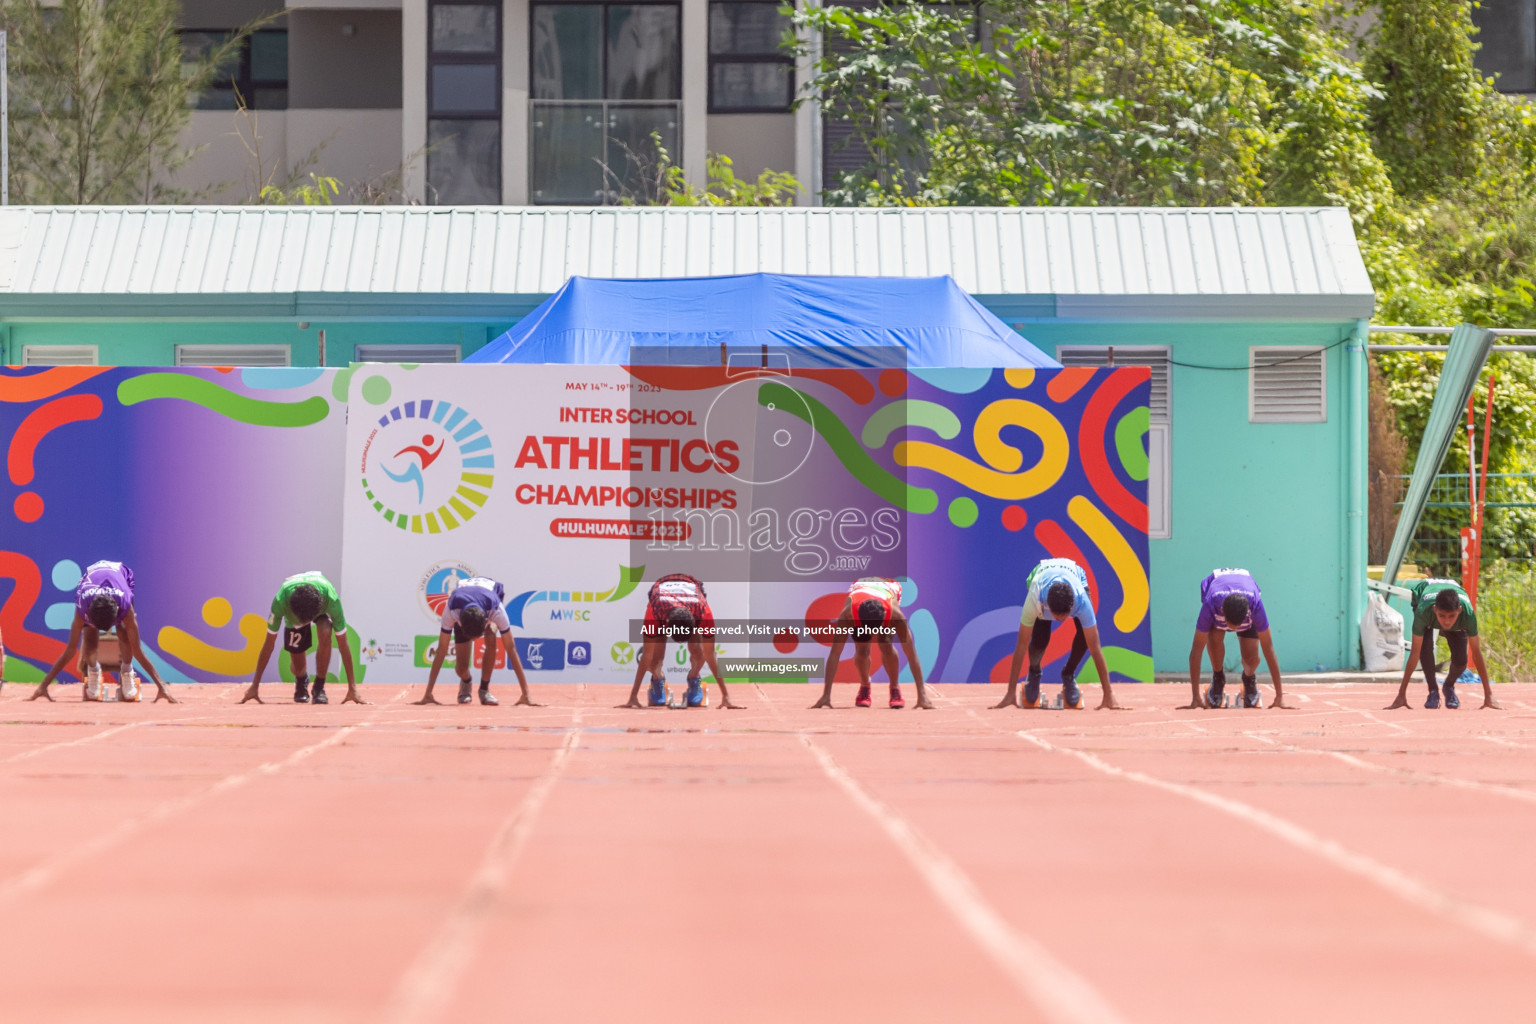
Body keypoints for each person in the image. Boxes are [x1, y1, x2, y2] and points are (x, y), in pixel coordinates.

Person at [30, 560, 176, 703]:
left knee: (124, 633)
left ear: (118, 612)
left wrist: (162, 687)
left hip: (120, 575)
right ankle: (93, 671)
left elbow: (137, 650)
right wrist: (44, 686)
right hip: (93, 578)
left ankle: (126, 672)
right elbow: (70, 650)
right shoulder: (83, 606)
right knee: (89, 638)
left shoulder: (125, 604)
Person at [993, 557, 1125, 710]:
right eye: (1056, 616)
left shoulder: (1081, 600)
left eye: (1064, 616)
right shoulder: (1035, 598)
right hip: (1041, 576)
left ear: (1072, 608)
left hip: (1074, 575)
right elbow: (1021, 646)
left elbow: (1095, 648)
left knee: (1085, 637)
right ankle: (1034, 672)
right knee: (1040, 640)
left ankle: (1068, 674)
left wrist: (1108, 694)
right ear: (1049, 606)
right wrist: (1010, 693)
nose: (1061, 620)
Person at [241, 571, 367, 705]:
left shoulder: (331, 599)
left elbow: (343, 644)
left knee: (325, 629)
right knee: (297, 667)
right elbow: (269, 644)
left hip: (316, 607)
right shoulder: (281, 601)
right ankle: (301, 679)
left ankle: (319, 687)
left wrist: (352, 688)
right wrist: (254, 686)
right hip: (295, 614)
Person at [621, 573, 741, 709]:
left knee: (699, 651)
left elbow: (710, 654)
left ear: (695, 624)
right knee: (654, 660)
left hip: (691, 593)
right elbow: (646, 655)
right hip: (662, 595)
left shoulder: (703, 612)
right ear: (666, 625)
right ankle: (657, 679)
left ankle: (694, 679)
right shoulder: (655, 611)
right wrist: (633, 696)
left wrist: (726, 696)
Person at [810, 577, 933, 710]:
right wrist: (826, 695)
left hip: (888, 587)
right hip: (861, 586)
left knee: (885, 643)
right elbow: (835, 653)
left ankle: (894, 688)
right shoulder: (847, 615)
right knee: (862, 649)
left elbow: (911, 654)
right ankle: (865, 685)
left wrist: (922, 696)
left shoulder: (895, 615)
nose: (872, 633)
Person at [414, 576, 537, 707]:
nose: (474, 641)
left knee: (490, 636)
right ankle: (466, 681)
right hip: (466, 605)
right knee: (461, 668)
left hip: (488, 598)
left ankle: (484, 689)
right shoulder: (451, 610)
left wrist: (526, 694)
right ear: (460, 624)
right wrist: (428, 693)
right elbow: (442, 648)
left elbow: (511, 648)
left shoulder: (496, 609)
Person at [1181, 568, 1294, 709]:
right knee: (1215, 635)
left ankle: (1249, 679)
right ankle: (1218, 678)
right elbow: (1197, 649)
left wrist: (1279, 696)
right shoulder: (1211, 605)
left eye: (1238, 625)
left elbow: (1269, 648)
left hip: (1245, 594)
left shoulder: (1255, 605)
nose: (1233, 630)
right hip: (1217, 595)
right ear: (1222, 612)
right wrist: (1195, 697)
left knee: (1252, 659)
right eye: (1229, 624)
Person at [1386, 577, 1500, 710]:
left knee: (1461, 660)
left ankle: (1448, 686)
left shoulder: (1468, 615)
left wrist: (1489, 695)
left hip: (1450, 600)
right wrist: (1401, 695)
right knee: (1424, 647)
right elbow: (1415, 653)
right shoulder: (1424, 612)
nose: (1446, 621)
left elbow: (1476, 653)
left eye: (1451, 616)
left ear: (1459, 610)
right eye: (1442, 616)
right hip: (1424, 594)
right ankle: (1433, 691)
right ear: (1435, 610)